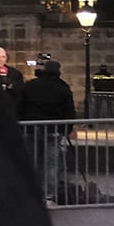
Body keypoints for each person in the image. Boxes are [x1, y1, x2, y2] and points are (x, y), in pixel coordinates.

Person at [15, 55, 78, 202]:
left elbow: (19, 108)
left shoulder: (30, 86)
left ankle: (30, 193)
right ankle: (48, 195)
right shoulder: (62, 88)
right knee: (51, 164)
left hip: (30, 129)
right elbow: (69, 111)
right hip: (53, 130)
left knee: (32, 162)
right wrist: (68, 129)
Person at [0, 43, 22, 113]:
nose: (1, 59)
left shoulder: (15, 73)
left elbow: (20, 91)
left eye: (3, 57)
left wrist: (10, 85)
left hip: (9, 108)